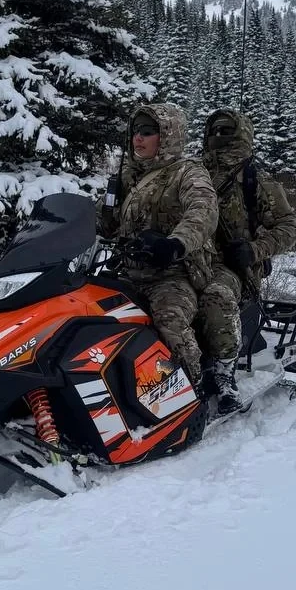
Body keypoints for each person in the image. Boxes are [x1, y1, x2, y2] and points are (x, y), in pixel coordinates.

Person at [98, 103, 218, 386]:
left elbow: (203, 211)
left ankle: (192, 385)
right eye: (135, 130)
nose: (138, 138)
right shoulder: (127, 175)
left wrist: (175, 243)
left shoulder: (188, 173)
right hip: (127, 271)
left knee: (169, 320)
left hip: (172, 274)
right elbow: (102, 221)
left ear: (167, 135)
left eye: (148, 131)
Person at [197, 108, 296, 414]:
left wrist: (255, 250)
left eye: (225, 131)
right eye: (214, 131)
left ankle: (224, 372)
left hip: (233, 267)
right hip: (190, 259)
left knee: (215, 296)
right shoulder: (192, 173)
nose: (218, 137)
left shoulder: (254, 181)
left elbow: (289, 226)